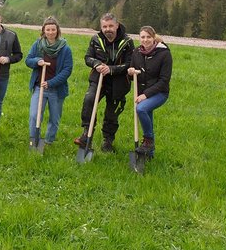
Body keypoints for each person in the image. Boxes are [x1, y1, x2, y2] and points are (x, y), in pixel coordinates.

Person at [74, 13, 135, 152]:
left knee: (112, 113)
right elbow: (87, 57)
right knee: (89, 100)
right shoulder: (95, 39)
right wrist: (96, 64)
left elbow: (130, 63)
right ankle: (86, 134)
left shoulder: (127, 42)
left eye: (110, 26)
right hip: (98, 79)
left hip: (119, 82)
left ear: (117, 25)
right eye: (104, 26)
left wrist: (111, 69)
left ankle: (108, 141)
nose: (108, 29)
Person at [25, 16, 73, 144]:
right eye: (48, 29)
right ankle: (34, 139)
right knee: (34, 116)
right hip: (39, 87)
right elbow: (28, 60)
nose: (51, 32)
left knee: (54, 118)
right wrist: (37, 61)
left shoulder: (65, 49)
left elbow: (67, 70)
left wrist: (51, 83)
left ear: (57, 30)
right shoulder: (38, 45)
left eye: (53, 29)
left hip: (57, 90)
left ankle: (49, 141)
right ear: (43, 31)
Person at [127, 26, 172, 157]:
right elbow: (132, 74)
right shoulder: (136, 52)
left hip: (160, 93)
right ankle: (149, 154)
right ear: (139, 38)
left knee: (141, 109)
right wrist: (130, 72)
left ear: (153, 38)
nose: (145, 40)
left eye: (148, 37)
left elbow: (164, 81)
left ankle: (148, 141)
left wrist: (145, 95)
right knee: (147, 115)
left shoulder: (164, 54)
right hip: (142, 93)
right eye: (142, 37)